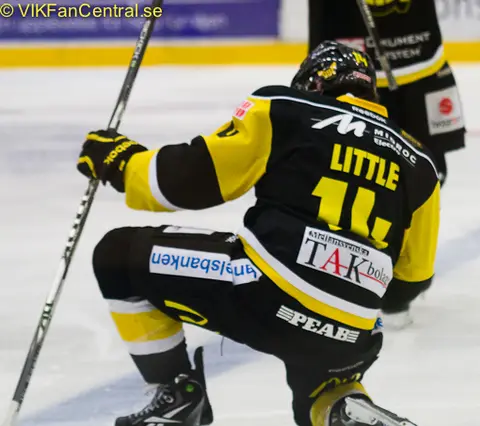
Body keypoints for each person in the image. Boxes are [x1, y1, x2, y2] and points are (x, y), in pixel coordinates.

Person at [77, 41, 439, 426]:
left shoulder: (284, 108)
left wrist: (121, 162)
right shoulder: (420, 163)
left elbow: (190, 180)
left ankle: (176, 396)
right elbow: (410, 281)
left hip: (263, 292)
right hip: (353, 328)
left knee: (118, 255)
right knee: (322, 389)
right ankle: (341, 406)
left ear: (312, 83)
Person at [308, 0, 463, 322]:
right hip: (347, 65)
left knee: (429, 172)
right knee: (347, 168)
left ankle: (403, 273)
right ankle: (356, 271)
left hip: (420, 59)